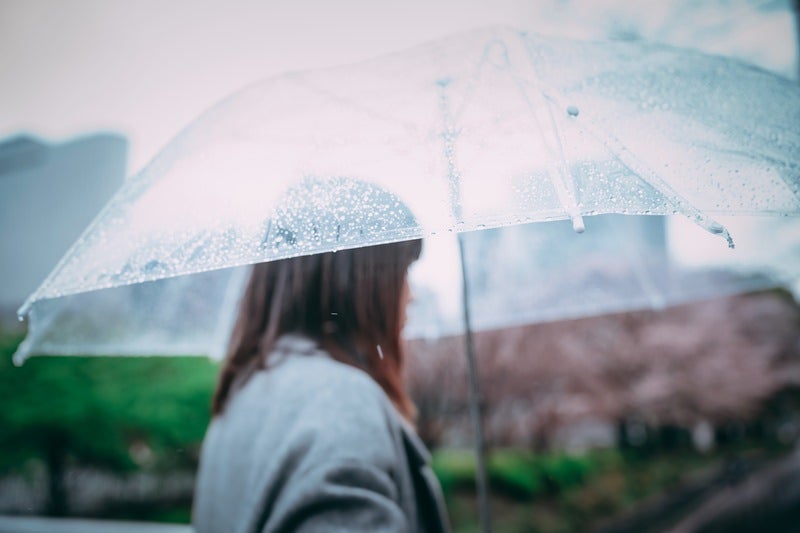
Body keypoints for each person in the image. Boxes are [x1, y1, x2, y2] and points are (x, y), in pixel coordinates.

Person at [192, 237, 450, 532]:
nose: (411, 295)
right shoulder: (342, 401)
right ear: (359, 280)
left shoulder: (243, 390)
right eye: (404, 270)